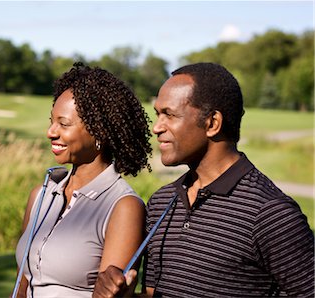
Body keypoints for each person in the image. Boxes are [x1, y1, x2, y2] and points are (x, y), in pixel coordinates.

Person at [93, 62, 314, 297]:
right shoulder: (161, 203)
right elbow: (153, 293)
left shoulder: (270, 213)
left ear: (212, 123)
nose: (156, 127)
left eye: (169, 115)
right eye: (157, 114)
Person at [14, 62, 153, 298]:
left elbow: (110, 294)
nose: (51, 132)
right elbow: (22, 283)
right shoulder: (40, 195)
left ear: (100, 133)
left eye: (64, 124)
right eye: (51, 121)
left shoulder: (123, 207)